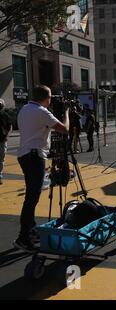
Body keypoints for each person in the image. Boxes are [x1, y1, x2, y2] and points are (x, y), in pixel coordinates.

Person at [14, 85, 70, 252]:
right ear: (47, 98)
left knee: (32, 194)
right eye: (51, 97)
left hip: (25, 155)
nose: (52, 100)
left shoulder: (25, 108)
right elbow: (64, 129)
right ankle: (23, 237)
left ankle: (30, 231)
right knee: (32, 197)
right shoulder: (41, 111)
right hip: (34, 156)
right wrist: (66, 113)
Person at [0, 99, 13, 185]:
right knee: (1, 159)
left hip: (2, 139)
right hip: (2, 139)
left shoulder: (5, 115)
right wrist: (7, 136)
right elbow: (10, 127)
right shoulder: (5, 115)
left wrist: (7, 136)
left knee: (1, 159)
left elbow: (10, 126)